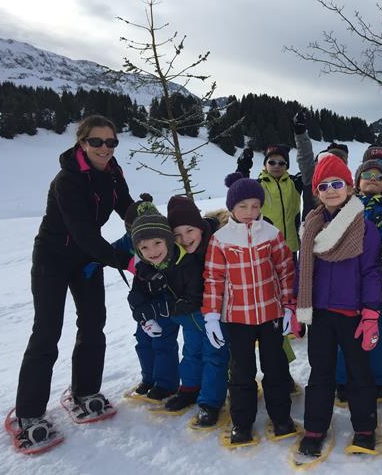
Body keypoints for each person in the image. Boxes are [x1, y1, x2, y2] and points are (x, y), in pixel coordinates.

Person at [13, 115, 134, 449]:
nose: (105, 148)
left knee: (95, 322)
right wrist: (127, 261)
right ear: (82, 142)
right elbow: (81, 232)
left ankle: (85, 391)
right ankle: (29, 412)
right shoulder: (67, 180)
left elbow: (125, 205)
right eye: (97, 142)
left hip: (86, 258)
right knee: (47, 331)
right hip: (53, 259)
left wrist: (146, 222)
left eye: (111, 142)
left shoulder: (113, 173)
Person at [295, 154, 382, 456]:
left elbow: (371, 272)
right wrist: (298, 308)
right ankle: (315, 427)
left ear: (349, 187)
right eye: (323, 185)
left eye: (337, 183)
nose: (330, 190)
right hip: (319, 314)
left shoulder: (365, 228)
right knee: (320, 373)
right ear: (316, 192)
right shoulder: (311, 226)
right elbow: (302, 269)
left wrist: (371, 314)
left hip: (353, 314)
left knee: (359, 373)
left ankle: (365, 427)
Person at [203, 172, 297, 444]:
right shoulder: (220, 239)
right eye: (243, 206)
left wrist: (289, 307)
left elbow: (285, 271)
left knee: (275, 368)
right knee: (241, 372)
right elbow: (213, 279)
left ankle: (281, 417)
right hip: (237, 318)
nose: (249, 212)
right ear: (232, 207)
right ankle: (242, 423)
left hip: (271, 315)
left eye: (255, 206)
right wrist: (211, 315)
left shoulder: (271, 234)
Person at [158, 195, 230, 425]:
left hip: (217, 313)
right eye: (177, 235)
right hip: (190, 314)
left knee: (215, 355)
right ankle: (189, 388)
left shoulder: (218, 243)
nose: (185, 239)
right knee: (191, 351)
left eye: (189, 230)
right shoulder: (173, 254)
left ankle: (210, 401)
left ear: (199, 226)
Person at [127, 204, 205, 405]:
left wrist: (157, 309)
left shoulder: (186, 262)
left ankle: (186, 387)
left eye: (157, 243)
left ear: (168, 241)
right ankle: (155, 381)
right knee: (148, 341)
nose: (152, 252)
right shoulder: (144, 266)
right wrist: (142, 315)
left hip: (189, 312)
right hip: (167, 310)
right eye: (144, 247)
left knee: (193, 349)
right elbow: (135, 296)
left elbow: (193, 298)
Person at [335, 158, 382, 402]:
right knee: (345, 332)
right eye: (367, 175)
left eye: (379, 177)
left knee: (377, 330)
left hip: (374, 282)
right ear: (357, 183)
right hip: (346, 283)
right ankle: (343, 380)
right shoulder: (344, 208)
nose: (373, 179)